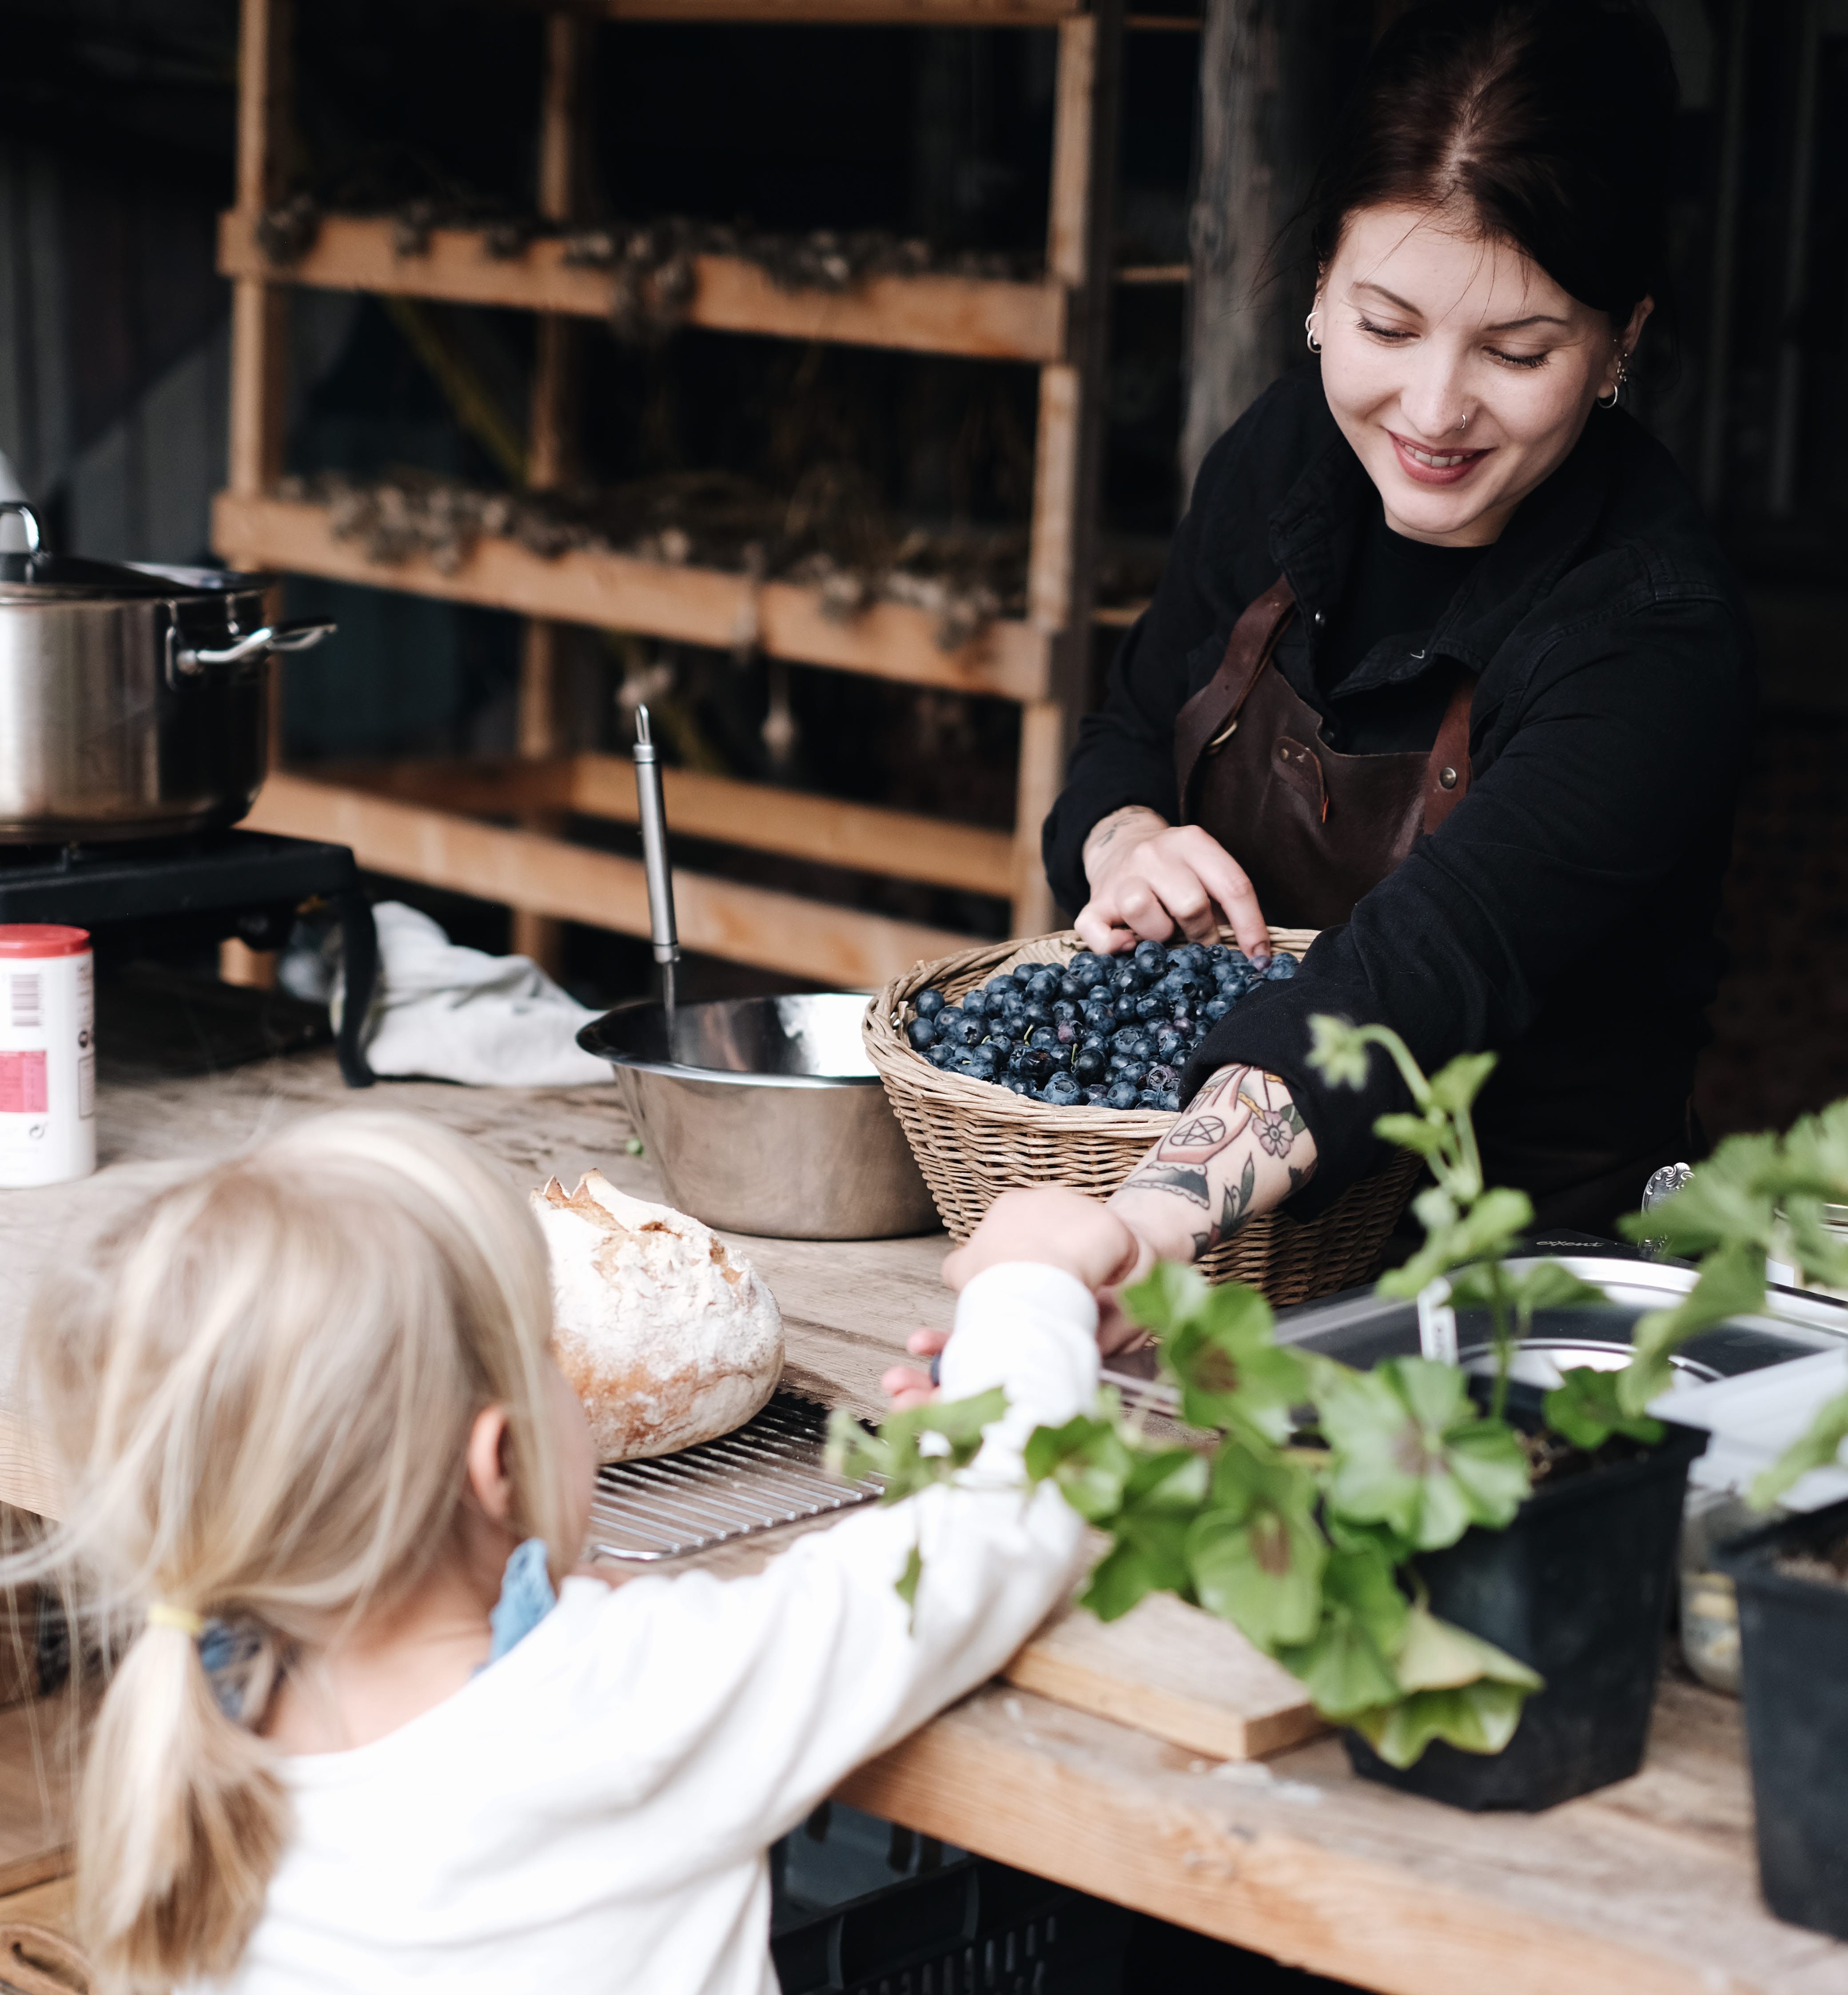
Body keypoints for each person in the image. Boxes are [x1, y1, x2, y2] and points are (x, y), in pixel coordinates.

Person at [15, 1112, 1142, 1995]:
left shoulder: (195, 1725)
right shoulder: (625, 1697)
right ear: (497, 1461)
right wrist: (1025, 1284)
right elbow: (998, 1528)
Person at [1040, 0, 1752, 1262]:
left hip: (1510, 1286)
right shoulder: (1282, 459)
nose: (1433, 411)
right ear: (1320, 287)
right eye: (1386, 327)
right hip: (1243, 1251)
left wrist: (1146, 1223)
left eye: (1518, 350)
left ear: (1618, 342)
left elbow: (1427, 966)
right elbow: (1130, 730)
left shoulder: (1653, 629)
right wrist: (1126, 834)